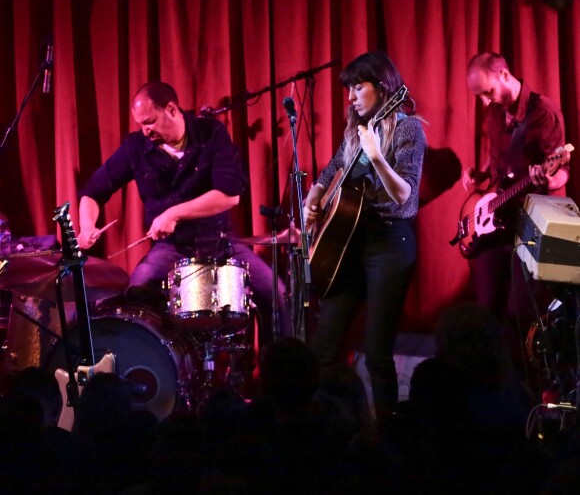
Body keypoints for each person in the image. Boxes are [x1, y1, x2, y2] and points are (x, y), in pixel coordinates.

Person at [76, 81, 285, 343]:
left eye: (150, 121)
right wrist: (86, 226)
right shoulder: (136, 147)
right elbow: (92, 192)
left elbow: (229, 195)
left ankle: (275, 375)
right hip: (172, 248)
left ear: (172, 109)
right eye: (140, 124)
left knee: (277, 294)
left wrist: (173, 213)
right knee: (136, 293)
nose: (145, 131)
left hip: (221, 243)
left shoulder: (210, 133)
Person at [303, 50, 427, 424]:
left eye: (358, 87)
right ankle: (321, 426)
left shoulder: (408, 128)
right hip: (349, 245)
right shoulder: (357, 131)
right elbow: (332, 170)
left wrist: (377, 157)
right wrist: (315, 195)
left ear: (382, 86)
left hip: (389, 244)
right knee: (324, 346)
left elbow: (406, 197)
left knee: (376, 352)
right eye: (349, 89)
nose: (351, 96)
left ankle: (389, 432)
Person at [462, 52, 569, 327]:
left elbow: (562, 171)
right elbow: (499, 158)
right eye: (480, 96)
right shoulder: (495, 112)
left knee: (521, 314)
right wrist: (481, 172)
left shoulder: (544, 112)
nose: (486, 101)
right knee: (486, 308)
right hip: (497, 220)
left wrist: (548, 180)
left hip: (531, 223)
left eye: (488, 92)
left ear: (505, 75)